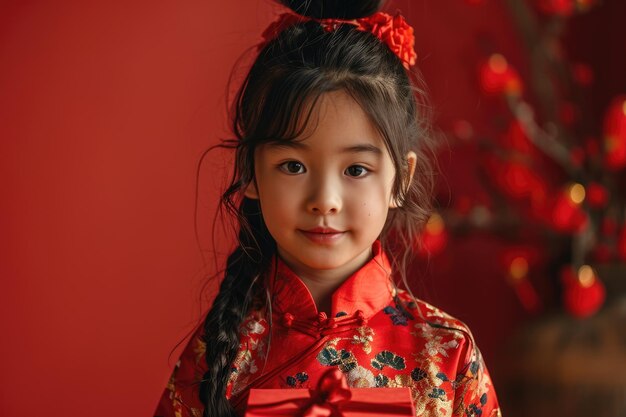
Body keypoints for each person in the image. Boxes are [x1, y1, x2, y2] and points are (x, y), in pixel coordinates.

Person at [154, 1, 502, 416]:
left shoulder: (446, 353)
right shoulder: (219, 354)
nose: (325, 200)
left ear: (401, 180)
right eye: (293, 166)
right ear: (249, 172)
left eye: (356, 169)